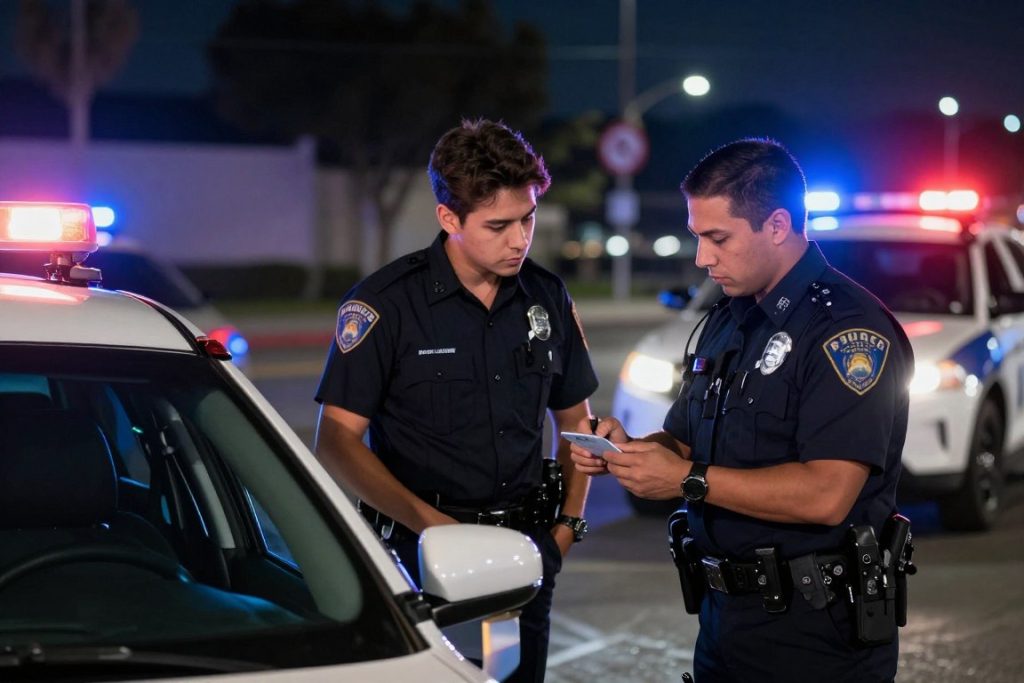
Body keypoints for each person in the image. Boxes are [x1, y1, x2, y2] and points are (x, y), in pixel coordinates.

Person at [570, 139, 913, 682]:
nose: (704, 258)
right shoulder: (733, 318)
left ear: (777, 225)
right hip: (724, 622)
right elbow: (683, 439)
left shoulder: (846, 332)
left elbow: (827, 494)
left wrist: (688, 481)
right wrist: (632, 453)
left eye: (718, 238)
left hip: (817, 634)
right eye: (698, 238)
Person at [315, 118, 598, 683]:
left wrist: (565, 531)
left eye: (528, 218)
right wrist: (435, 529)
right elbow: (336, 440)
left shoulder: (546, 296)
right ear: (449, 218)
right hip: (417, 557)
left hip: (524, 552)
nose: (520, 239)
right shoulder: (385, 304)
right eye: (499, 225)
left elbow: (575, 421)